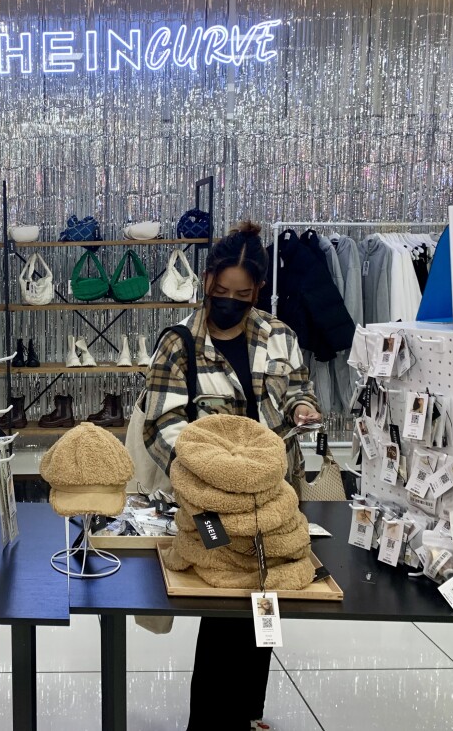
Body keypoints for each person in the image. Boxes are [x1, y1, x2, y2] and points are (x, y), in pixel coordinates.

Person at [143, 219, 321, 731]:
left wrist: (304, 409)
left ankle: (249, 714)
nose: (229, 301)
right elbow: (162, 426)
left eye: (241, 294)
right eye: (221, 291)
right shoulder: (179, 344)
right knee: (223, 603)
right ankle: (210, 722)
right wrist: (216, 477)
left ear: (257, 291)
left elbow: (297, 392)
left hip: (273, 498)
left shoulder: (278, 335)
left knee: (266, 598)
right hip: (211, 506)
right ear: (206, 281)